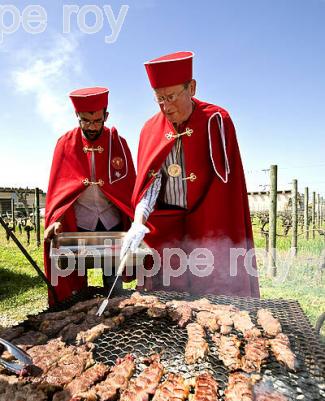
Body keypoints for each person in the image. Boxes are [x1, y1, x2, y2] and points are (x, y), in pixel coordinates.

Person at [121, 51, 259, 297]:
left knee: (214, 291)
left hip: (209, 224)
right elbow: (151, 183)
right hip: (166, 227)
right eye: (159, 99)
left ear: (192, 87)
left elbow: (226, 188)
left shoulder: (217, 120)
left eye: (172, 96)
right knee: (165, 296)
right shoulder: (150, 129)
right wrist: (138, 221)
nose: (166, 107)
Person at [44, 87, 136, 305]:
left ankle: (117, 322)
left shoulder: (119, 144)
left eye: (97, 121)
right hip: (79, 223)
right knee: (73, 288)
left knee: (114, 285)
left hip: (111, 222)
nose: (92, 127)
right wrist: (55, 220)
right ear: (77, 116)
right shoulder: (65, 144)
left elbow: (129, 185)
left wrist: (133, 219)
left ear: (106, 116)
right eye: (86, 121)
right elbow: (58, 189)